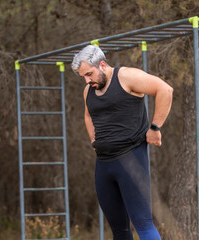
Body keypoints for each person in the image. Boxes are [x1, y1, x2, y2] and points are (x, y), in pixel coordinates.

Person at [71, 45, 173, 240]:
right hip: (103, 164)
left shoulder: (126, 77)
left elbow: (165, 89)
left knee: (143, 223)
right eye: (83, 76)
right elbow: (87, 116)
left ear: (102, 64)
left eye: (89, 74)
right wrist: (94, 140)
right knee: (119, 230)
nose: (87, 80)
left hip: (131, 159)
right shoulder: (88, 91)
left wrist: (155, 128)